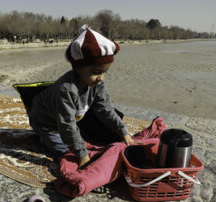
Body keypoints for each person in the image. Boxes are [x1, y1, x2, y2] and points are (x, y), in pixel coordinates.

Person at [28, 25, 135, 168]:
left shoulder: (97, 84)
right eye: (97, 72)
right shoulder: (65, 89)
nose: (101, 78)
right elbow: (67, 125)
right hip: (46, 122)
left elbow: (106, 109)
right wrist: (83, 155)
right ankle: (43, 136)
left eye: (105, 72)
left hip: (67, 117)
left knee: (94, 134)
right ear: (78, 68)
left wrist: (123, 131)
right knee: (63, 150)